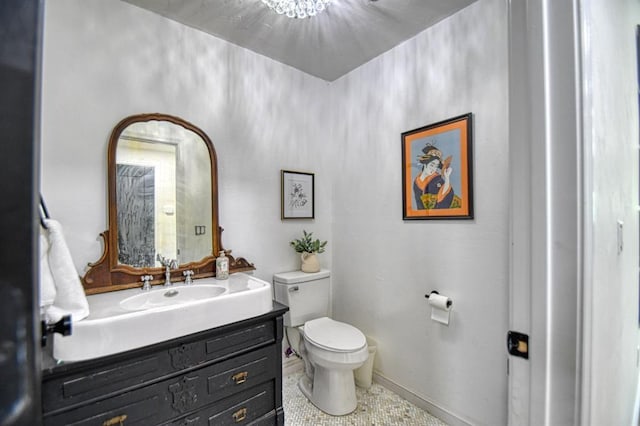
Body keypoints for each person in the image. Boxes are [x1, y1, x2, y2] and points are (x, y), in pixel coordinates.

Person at [413, 144, 460, 210]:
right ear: (425, 163)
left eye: (436, 166)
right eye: (432, 165)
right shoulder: (416, 182)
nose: (433, 169)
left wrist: (447, 178)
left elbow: (445, 196)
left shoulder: (438, 179)